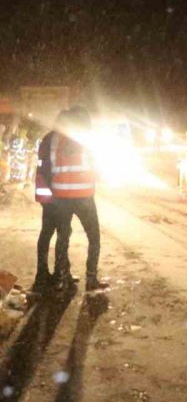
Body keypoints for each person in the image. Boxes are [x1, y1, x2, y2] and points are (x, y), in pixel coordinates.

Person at [36, 106, 109, 292]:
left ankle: (60, 277)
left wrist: (50, 192)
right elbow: (98, 166)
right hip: (83, 196)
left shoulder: (52, 140)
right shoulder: (87, 138)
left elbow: (45, 168)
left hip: (59, 196)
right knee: (93, 237)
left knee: (62, 237)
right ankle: (91, 279)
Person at [33, 110, 75, 291]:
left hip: (46, 192)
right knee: (63, 232)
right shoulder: (63, 141)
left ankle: (42, 273)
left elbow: (43, 166)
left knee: (47, 232)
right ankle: (61, 272)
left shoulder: (47, 138)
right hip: (57, 194)